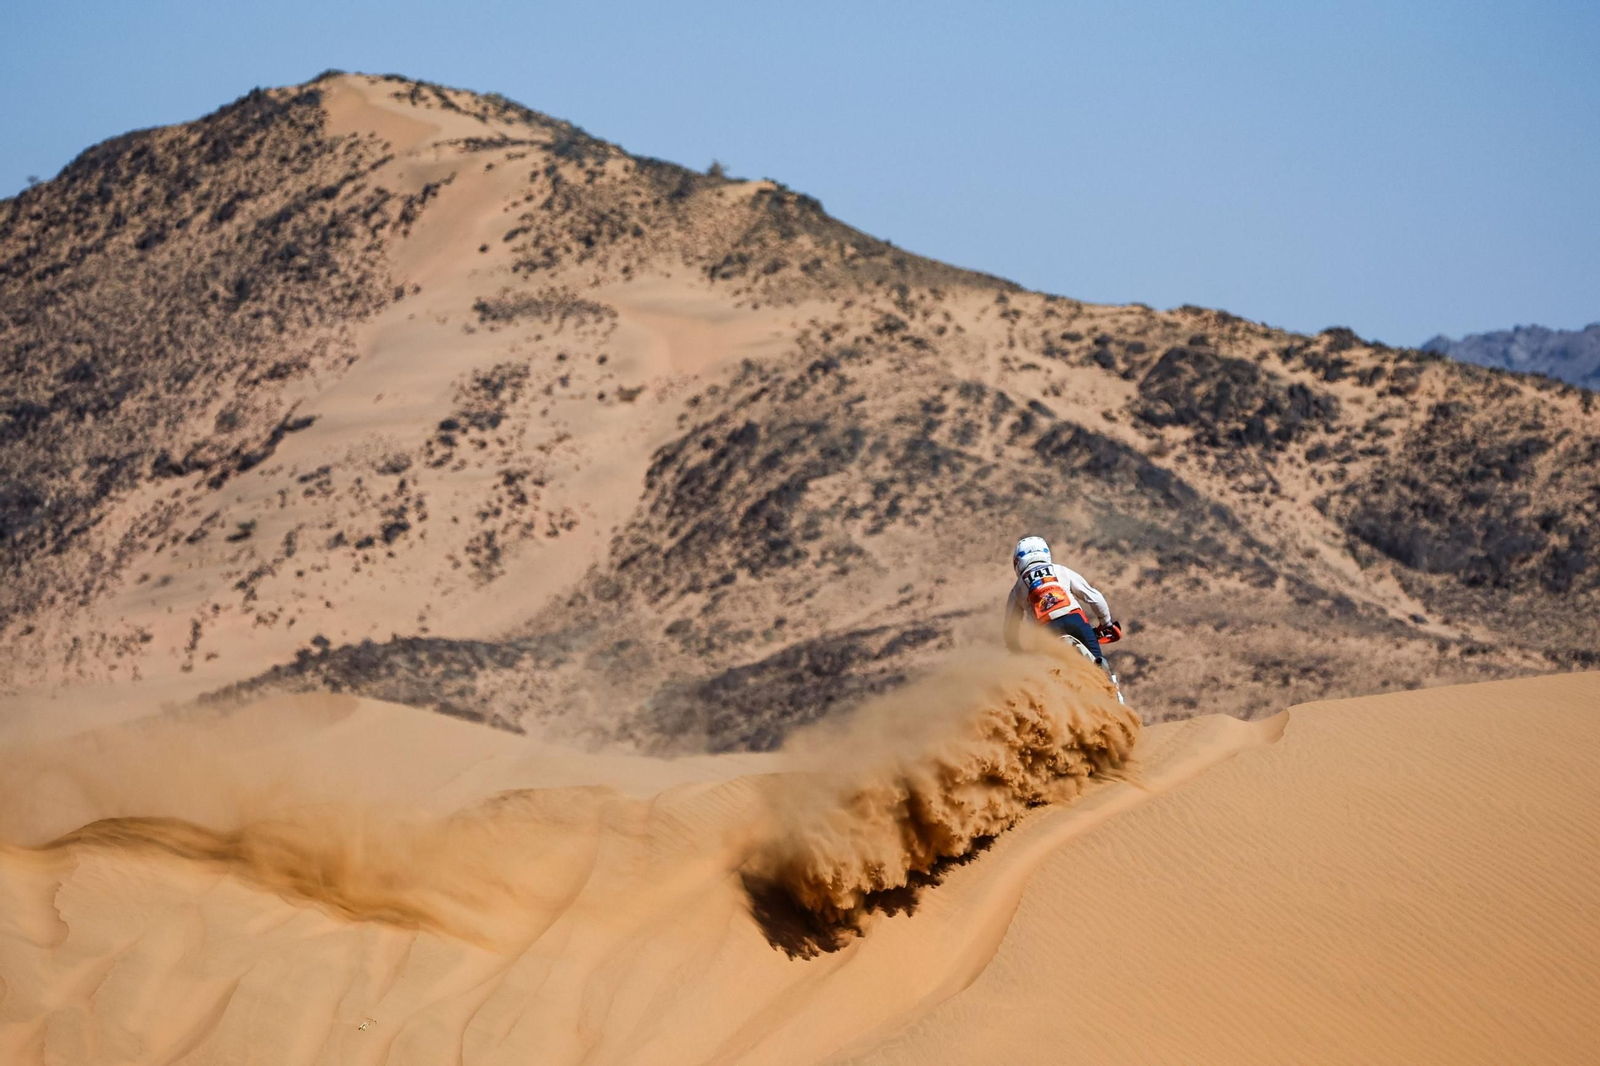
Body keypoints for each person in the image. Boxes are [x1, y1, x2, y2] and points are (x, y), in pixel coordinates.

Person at [1003, 535, 1123, 682]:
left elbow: (1010, 629)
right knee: (1101, 669)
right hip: (1076, 621)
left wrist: (1017, 651)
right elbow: (1095, 597)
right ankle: (1109, 688)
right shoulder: (1060, 570)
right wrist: (1106, 623)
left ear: (1018, 561)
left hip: (1045, 634)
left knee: (1047, 680)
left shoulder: (1017, 589)